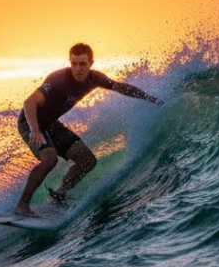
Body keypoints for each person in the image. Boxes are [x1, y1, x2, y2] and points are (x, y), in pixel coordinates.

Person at [14, 42, 160, 217]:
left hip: (51, 124)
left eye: (82, 64)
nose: (77, 68)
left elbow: (120, 87)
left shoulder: (95, 78)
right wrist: (35, 131)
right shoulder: (57, 79)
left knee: (87, 160)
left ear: (91, 63)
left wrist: (149, 97)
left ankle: (59, 194)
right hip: (30, 122)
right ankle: (22, 206)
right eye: (74, 63)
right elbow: (29, 103)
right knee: (50, 159)